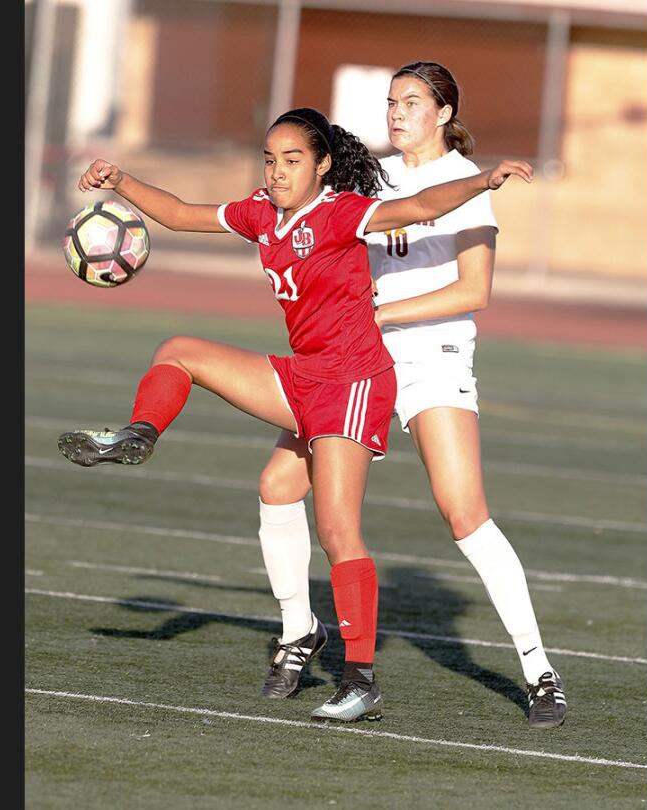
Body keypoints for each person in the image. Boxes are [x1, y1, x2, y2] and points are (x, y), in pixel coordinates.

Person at [58, 106, 533, 722]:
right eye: (270, 159)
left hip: (354, 382)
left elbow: (418, 208)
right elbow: (180, 214)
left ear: (323, 165)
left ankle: (360, 679)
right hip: (303, 376)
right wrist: (120, 181)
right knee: (181, 355)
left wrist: (483, 180)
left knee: (338, 531)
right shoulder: (263, 212)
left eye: (292, 161)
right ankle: (139, 433)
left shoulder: (339, 213)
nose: (278, 172)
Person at [253, 63, 567, 728]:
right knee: (280, 485)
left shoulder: (464, 186)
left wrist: (382, 314)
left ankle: (540, 671)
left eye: (413, 102)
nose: (397, 113)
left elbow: (473, 291)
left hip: (431, 357)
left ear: (445, 112)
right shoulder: (369, 176)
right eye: (392, 101)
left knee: (464, 514)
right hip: (355, 361)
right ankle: (298, 632)